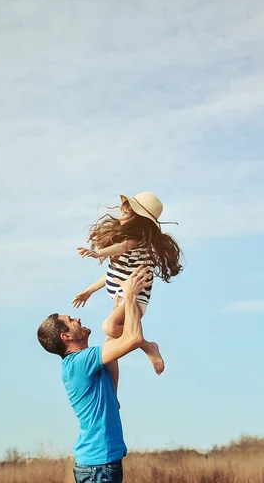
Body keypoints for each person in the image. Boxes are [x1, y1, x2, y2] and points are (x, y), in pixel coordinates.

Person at [37, 266, 151, 483]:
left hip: (99, 464)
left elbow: (114, 348)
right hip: (99, 466)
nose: (78, 318)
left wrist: (119, 310)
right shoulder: (80, 362)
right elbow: (133, 339)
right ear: (66, 336)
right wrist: (130, 297)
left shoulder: (84, 362)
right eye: (71, 319)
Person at [72, 191, 183, 378]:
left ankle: (147, 346)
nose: (121, 217)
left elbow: (122, 247)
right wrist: (88, 290)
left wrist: (98, 253)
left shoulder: (136, 242)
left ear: (138, 220)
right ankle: (112, 392)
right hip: (123, 297)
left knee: (108, 327)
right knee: (110, 349)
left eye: (126, 214)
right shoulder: (131, 244)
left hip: (135, 299)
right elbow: (111, 274)